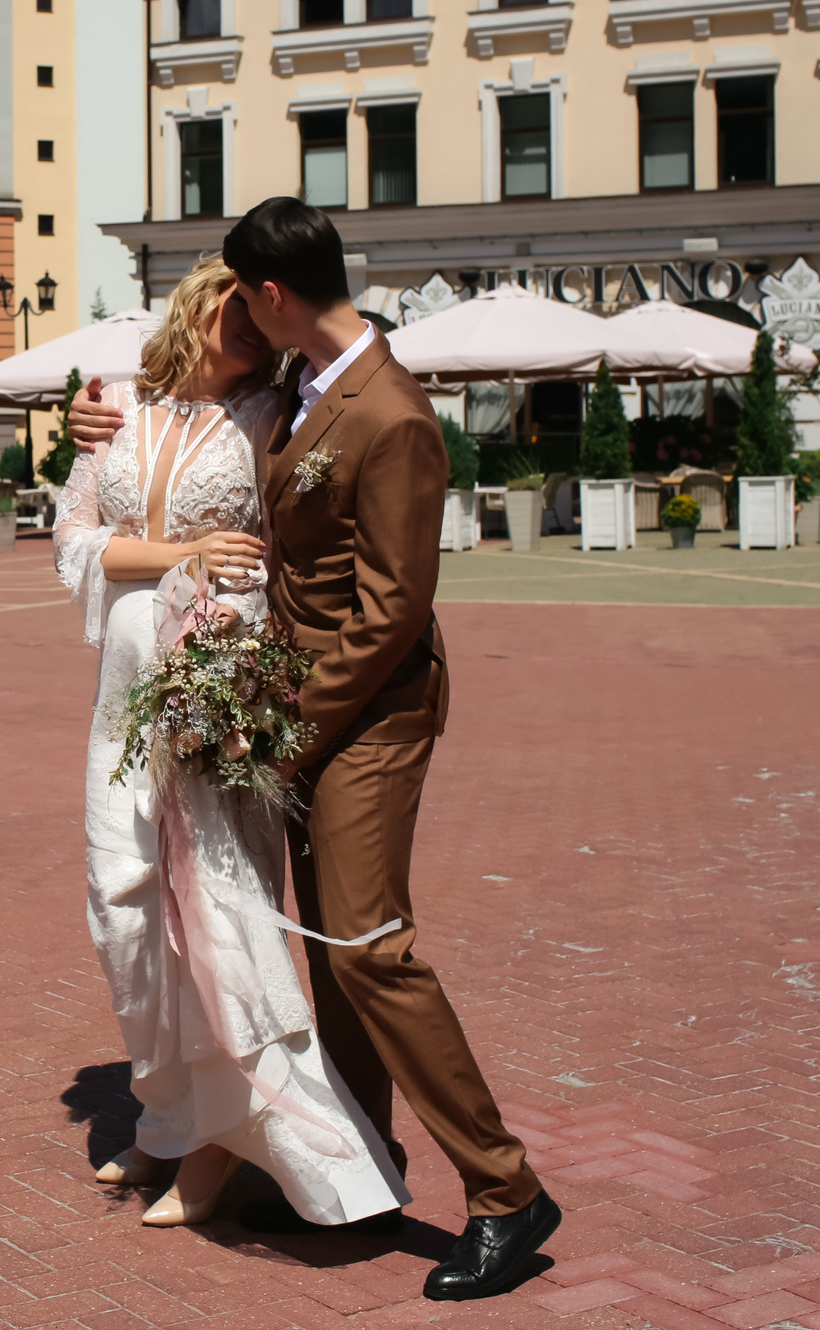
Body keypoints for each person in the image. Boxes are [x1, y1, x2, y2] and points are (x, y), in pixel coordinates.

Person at [70, 203, 559, 1301]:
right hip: (293, 708)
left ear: (274, 296)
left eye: (242, 294)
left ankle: (504, 1191)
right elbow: (194, 430)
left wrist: (283, 729)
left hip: (366, 714)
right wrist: (88, 424)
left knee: (367, 947)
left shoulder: (389, 415)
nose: (233, 312)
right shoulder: (303, 385)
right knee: (322, 948)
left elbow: (391, 611)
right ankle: (360, 1164)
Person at [54, 257, 408, 1231]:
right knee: (123, 908)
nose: (253, 323)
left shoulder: (272, 414)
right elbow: (76, 545)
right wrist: (179, 551)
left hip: (220, 687)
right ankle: (171, 1118)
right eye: (235, 308)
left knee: (215, 910)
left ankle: (224, 1147)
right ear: (198, 308)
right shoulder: (115, 404)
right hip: (124, 698)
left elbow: (343, 424)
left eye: (263, 310)